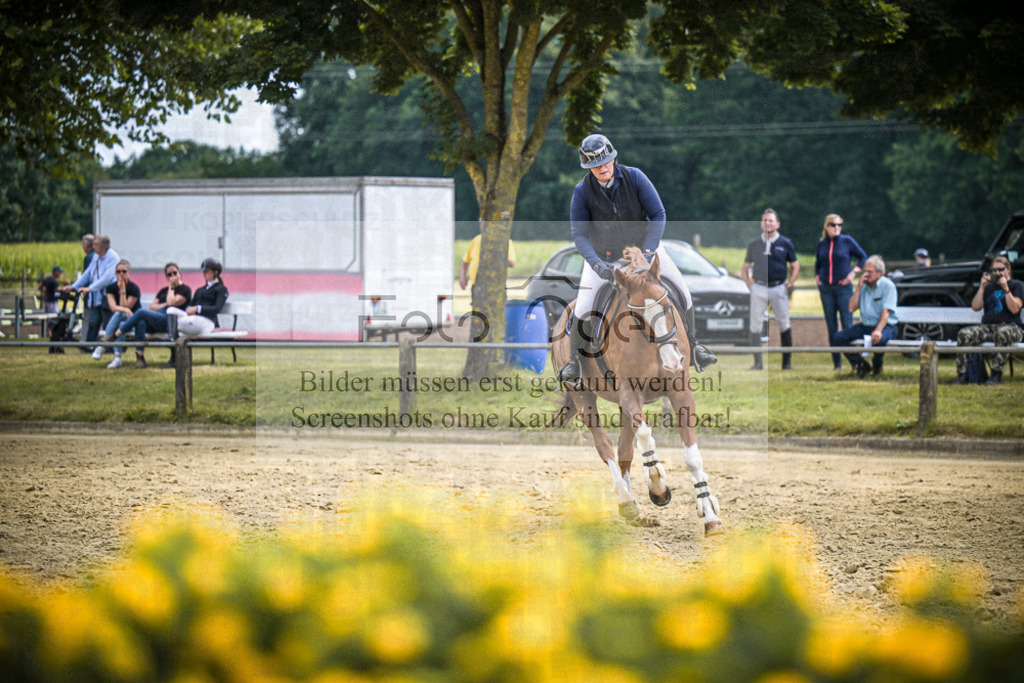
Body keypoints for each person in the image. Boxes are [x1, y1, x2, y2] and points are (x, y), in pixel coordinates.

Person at [555, 133, 717, 387]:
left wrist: (649, 253)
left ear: (613, 158)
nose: (602, 168)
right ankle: (574, 362)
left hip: (645, 251)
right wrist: (597, 265)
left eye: (605, 162)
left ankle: (695, 348)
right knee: (583, 306)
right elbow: (579, 235)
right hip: (605, 258)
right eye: (595, 165)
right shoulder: (582, 192)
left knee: (683, 292)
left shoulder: (635, 177)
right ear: (588, 168)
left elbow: (658, 213)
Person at [741, 208, 800, 370]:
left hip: (778, 287)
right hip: (759, 286)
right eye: (765, 220)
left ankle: (786, 363)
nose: (768, 223)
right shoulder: (754, 244)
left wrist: (790, 284)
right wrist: (748, 282)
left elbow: (795, 266)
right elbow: (745, 267)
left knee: (783, 323)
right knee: (755, 324)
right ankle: (758, 362)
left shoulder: (785, 243)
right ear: (761, 224)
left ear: (778, 224)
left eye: (771, 220)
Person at [955, 256, 1023, 385]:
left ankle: (995, 376)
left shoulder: (1017, 285)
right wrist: (982, 287)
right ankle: (962, 376)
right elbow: (975, 307)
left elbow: (1015, 309)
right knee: (964, 334)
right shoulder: (988, 287)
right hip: (988, 327)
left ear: (1008, 270)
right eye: (994, 270)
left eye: (1001, 269)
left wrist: (1006, 288)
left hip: (1012, 327)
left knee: (1002, 333)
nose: (997, 273)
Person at [110, 262, 192, 369]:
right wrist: (165, 304)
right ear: (166, 276)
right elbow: (152, 307)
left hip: (170, 322)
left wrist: (171, 288)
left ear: (180, 273)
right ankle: (140, 358)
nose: (172, 276)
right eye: (169, 274)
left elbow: (171, 302)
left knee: (140, 312)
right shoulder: (163, 291)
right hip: (157, 318)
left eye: (174, 273)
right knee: (140, 322)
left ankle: (117, 333)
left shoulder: (185, 289)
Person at [814, 214, 867, 370]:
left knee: (847, 326)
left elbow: (863, 257)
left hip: (844, 289)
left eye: (839, 225)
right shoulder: (822, 244)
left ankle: (855, 362)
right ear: (826, 226)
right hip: (826, 290)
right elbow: (818, 263)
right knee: (831, 327)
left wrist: (853, 273)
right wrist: (817, 277)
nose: (836, 227)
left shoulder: (847, 241)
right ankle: (837, 364)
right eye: (833, 225)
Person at [833, 255, 899, 378]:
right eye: (865, 271)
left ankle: (877, 366)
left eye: (870, 272)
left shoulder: (888, 286)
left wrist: (878, 331)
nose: (866, 274)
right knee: (838, 337)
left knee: (880, 340)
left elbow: (886, 312)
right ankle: (861, 364)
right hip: (866, 326)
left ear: (880, 273)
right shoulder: (863, 286)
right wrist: (858, 287)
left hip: (886, 326)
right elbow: (851, 308)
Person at [162, 258, 229, 366]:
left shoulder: (221, 289)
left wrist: (198, 309)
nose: (204, 273)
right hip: (192, 320)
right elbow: (191, 304)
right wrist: (189, 308)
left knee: (177, 323)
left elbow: (217, 308)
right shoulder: (200, 290)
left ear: (215, 272)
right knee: (171, 310)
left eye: (206, 271)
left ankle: (173, 349)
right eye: (203, 271)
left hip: (207, 321)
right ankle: (171, 341)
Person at [62, 234, 119, 349]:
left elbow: (107, 278)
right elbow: (88, 273)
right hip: (96, 296)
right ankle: (88, 347)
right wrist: (74, 286)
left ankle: (111, 348)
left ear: (103, 246)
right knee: (93, 322)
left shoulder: (113, 257)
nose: (93, 246)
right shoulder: (96, 256)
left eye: (96, 244)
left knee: (108, 322)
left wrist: (90, 288)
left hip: (108, 295)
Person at [91, 260, 141, 368]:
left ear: (129, 273)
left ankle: (102, 346)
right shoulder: (111, 288)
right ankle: (117, 358)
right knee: (120, 324)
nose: (121, 274)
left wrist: (123, 290)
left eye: (124, 271)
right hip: (121, 321)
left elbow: (125, 307)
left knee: (120, 314)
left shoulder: (134, 288)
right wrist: (125, 309)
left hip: (134, 322)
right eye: (118, 272)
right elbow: (113, 308)